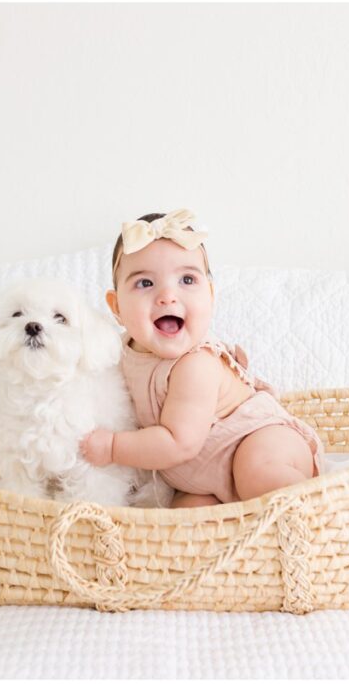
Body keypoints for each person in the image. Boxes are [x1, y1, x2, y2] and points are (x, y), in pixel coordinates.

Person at [78, 208, 323, 507]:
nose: (167, 296)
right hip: (203, 475)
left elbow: (178, 442)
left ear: (210, 294)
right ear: (116, 307)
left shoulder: (196, 365)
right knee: (185, 523)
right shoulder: (117, 351)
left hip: (260, 440)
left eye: (187, 280)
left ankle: (325, 510)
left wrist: (112, 447)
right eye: (145, 283)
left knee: (256, 473)